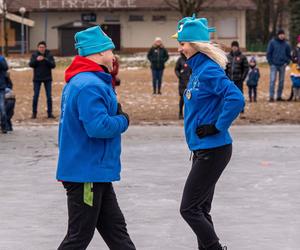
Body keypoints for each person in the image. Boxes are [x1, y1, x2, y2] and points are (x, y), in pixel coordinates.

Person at [56, 26, 135, 250]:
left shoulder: (87, 81)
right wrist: (123, 119)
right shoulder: (89, 85)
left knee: (117, 233)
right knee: (79, 237)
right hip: (86, 176)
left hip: (94, 172)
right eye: (111, 50)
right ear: (99, 52)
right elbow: (98, 127)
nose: (113, 55)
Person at [172, 14, 245, 250]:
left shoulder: (208, 71)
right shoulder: (198, 69)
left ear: (195, 44)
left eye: (182, 43)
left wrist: (217, 125)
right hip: (203, 149)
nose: (180, 48)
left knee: (189, 208)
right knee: (200, 208)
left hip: (213, 150)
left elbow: (235, 98)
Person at [29, 41, 56, 119]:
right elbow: (31, 64)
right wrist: (37, 60)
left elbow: (53, 65)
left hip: (47, 79)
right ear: (38, 48)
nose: (41, 48)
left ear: (45, 48)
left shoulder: (49, 55)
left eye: (43, 47)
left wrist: (45, 59)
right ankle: (34, 113)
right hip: (37, 79)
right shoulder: (34, 55)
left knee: (49, 97)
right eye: (40, 47)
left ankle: (50, 113)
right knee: (35, 96)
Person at [267, 29, 291, 102]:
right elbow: (269, 53)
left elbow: (289, 55)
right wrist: (270, 63)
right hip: (274, 65)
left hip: (282, 65)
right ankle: (271, 96)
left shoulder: (286, 44)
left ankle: (279, 96)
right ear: (278, 35)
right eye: (280, 34)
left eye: (283, 34)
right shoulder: (272, 42)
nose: (282, 36)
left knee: (281, 81)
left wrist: (287, 62)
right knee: (272, 80)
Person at [175, 52, 192, 119]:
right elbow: (176, 69)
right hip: (182, 82)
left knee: (190, 98)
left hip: (190, 82)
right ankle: (180, 113)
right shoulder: (180, 59)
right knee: (182, 98)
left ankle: (189, 114)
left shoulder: (192, 59)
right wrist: (179, 76)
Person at [288, 35, 300, 101]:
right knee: (295, 82)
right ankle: (293, 95)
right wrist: (295, 60)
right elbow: (292, 58)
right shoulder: (296, 49)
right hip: (296, 67)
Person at [0, 54, 8, 133]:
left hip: (1, 88)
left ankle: (4, 126)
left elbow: (6, 68)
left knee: (2, 108)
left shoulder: (2, 59)